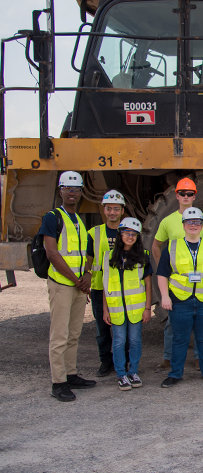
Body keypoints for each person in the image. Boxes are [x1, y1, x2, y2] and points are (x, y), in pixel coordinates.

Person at [151, 178, 203, 373]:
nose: (186, 197)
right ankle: (168, 359)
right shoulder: (167, 221)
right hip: (179, 285)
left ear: (194, 196)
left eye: (189, 194)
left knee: (201, 327)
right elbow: (156, 245)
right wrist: (163, 269)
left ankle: (200, 360)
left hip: (200, 287)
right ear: (177, 195)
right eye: (182, 193)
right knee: (173, 325)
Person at [39, 171, 96, 402]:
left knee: (74, 334)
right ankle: (58, 382)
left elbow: (86, 253)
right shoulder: (53, 217)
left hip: (78, 286)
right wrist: (77, 280)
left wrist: (88, 275)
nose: (72, 193)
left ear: (81, 192)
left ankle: (70, 374)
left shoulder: (79, 221)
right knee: (59, 335)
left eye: (76, 189)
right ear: (60, 191)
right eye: (68, 189)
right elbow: (52, 253)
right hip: (63, 285)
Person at [157, 207, 203, 388]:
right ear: (183, 225)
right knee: (180, 338)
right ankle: (175, 374)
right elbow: (162, 274)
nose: (193, 225)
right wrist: (164, 296)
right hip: (180, 300)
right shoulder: (172, 247)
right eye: (190, 222)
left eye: (197, 222)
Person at [101, 218, 152, 391]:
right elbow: (105, 285)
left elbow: (148, 284)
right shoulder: (108, 256)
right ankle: (121, 374)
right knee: (119, 341)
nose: (130, 237)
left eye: (134, 234)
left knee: (135, 340)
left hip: (136, 309)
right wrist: (105, 309)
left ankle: (134, 371)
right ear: (120, 234)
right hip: (116, 308)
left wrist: (147, 308)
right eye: (127, 233)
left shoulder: (142, 256)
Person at [85, 189, 126, 377]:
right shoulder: (94, 233)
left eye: (116, 209)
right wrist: (86, 279)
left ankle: (123, 361)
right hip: (99, 288)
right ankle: (105, 361)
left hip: (123, 290)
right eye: (109, 208)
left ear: (122, 211)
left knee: (123, 328)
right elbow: (89, 259)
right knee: (102, 329)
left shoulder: (128, 232)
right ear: (103, 210)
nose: (112, 212)